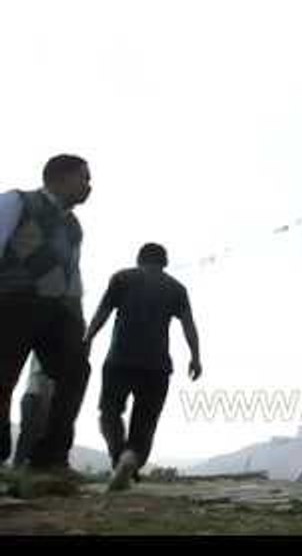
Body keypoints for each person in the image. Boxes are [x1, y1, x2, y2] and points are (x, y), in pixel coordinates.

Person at [0, 154, 92, 474]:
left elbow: (72, 275)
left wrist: (78, 319)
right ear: (61, 178)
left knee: (76, 371)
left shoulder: (74, 226)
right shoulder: (17, 202)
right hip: (12, 303)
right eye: (84, 177)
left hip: (57, 312)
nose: (89, 185)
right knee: (3, 378)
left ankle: (50, 458)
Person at [84, 242, 202, 492]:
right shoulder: (176, 288)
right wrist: (195, 357)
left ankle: (119, 455)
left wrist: (88, 338)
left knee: (109, 412)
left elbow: (103, 311)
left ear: (139, 259)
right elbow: (189, 325)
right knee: (145, 421)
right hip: (157, 366)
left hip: (119, 360)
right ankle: (132, 457)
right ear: (165, 263)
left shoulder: (122, 278)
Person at [12, 355, 56, 468]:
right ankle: (20, 465)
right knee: (31, 434)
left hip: (34, 393)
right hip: (36, 395)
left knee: (30, 434)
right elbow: (43, 374)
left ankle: (20, 465)